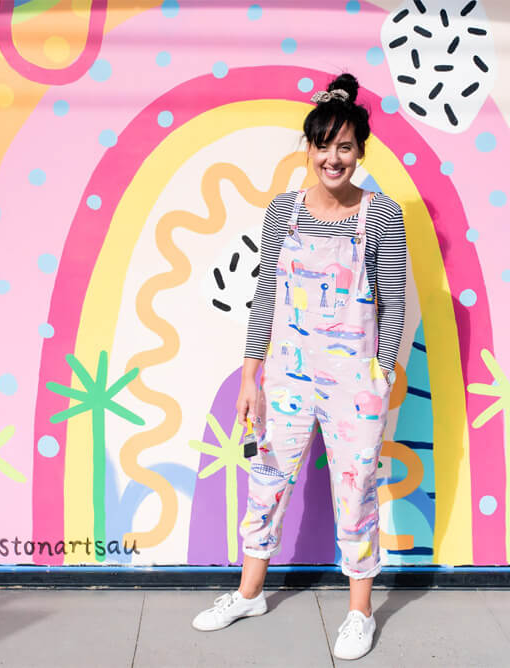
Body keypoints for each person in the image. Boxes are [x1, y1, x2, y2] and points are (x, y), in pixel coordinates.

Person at [191, 72, 407, 661]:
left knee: (356, 488)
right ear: (308, 148)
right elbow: (265, 294)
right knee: (267, 480)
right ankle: (248, 594)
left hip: (354, 382)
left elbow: (393, 301)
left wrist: (379, 374)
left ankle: (359, 611)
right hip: (287, 374)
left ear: (361, 151)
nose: (332, 158)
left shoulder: (380, 215)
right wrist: (250, 373)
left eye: (344, 147)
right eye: (322, 146)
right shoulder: (282, 210)